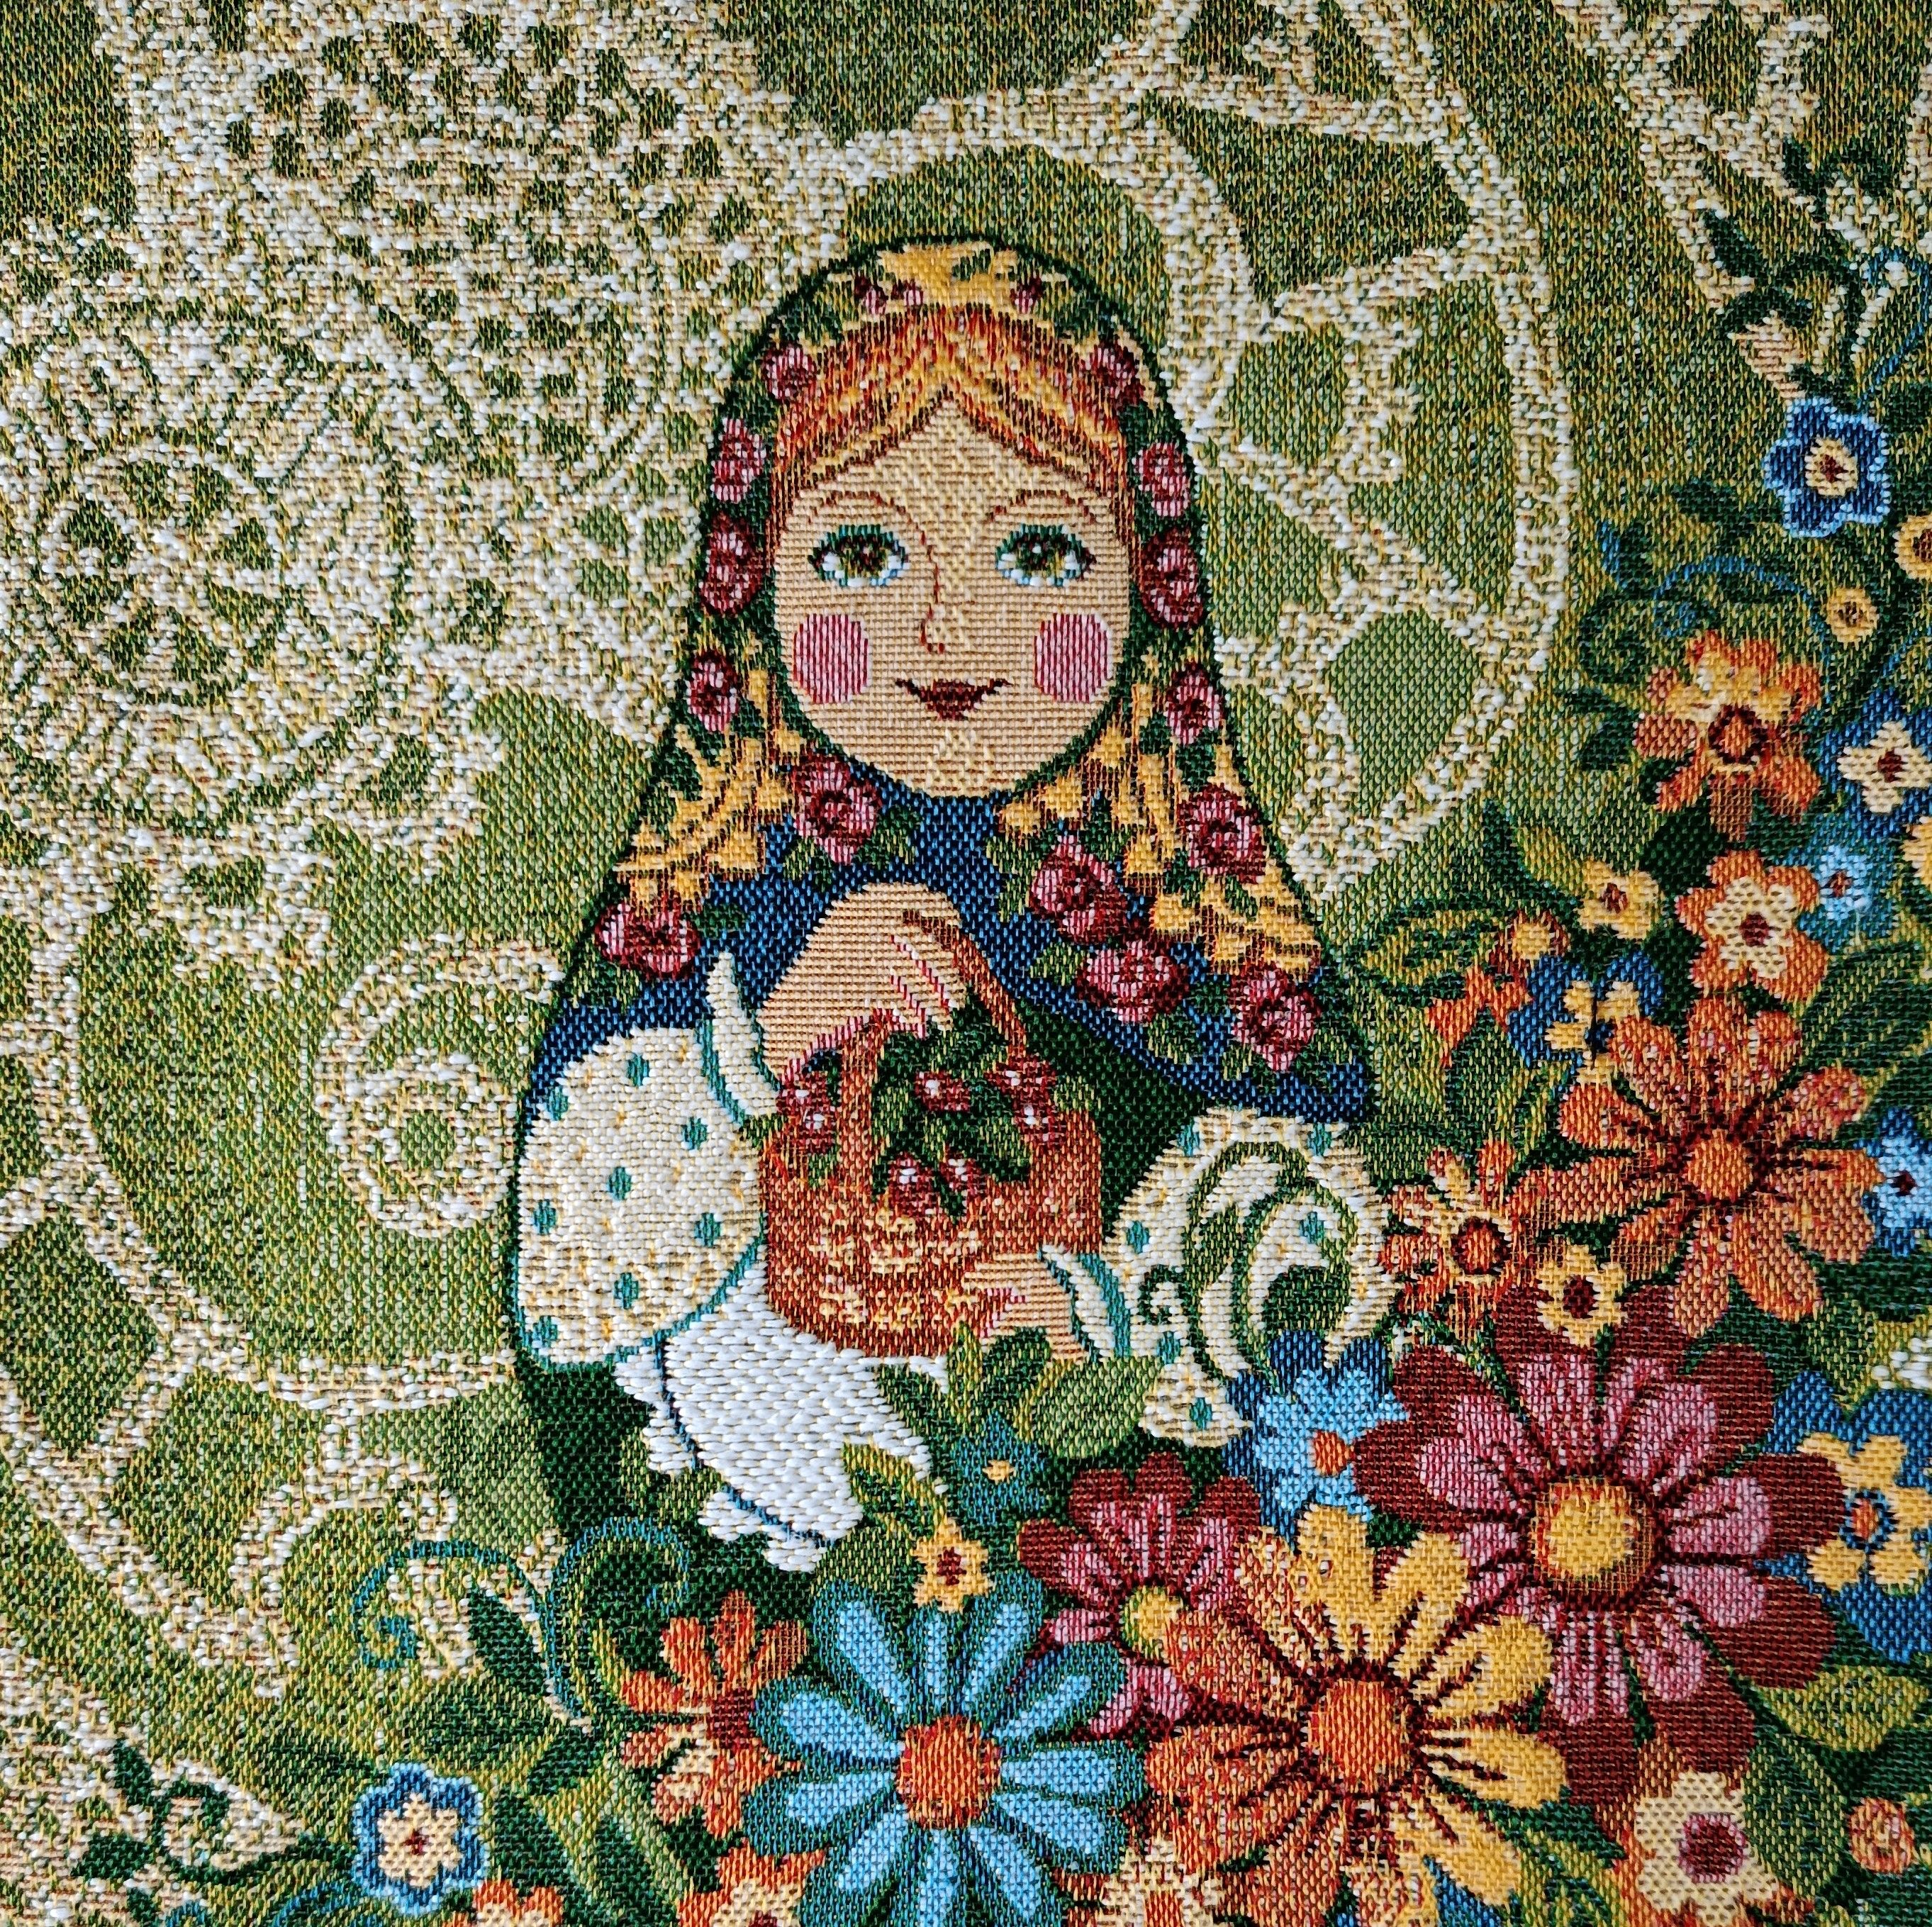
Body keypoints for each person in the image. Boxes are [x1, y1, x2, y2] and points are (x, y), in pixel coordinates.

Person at [512, 240, 1381, 1568]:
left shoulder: (1181, 919)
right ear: (753, 584)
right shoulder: (714, 896)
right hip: (740, 1597)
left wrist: (1108, 1317)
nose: (946, 631)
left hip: (1115, 1583)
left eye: (1037, 551)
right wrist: (767, 1038)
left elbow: (1324, 1238)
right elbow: (564, 1278)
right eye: (864, 552)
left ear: (1149, 588)